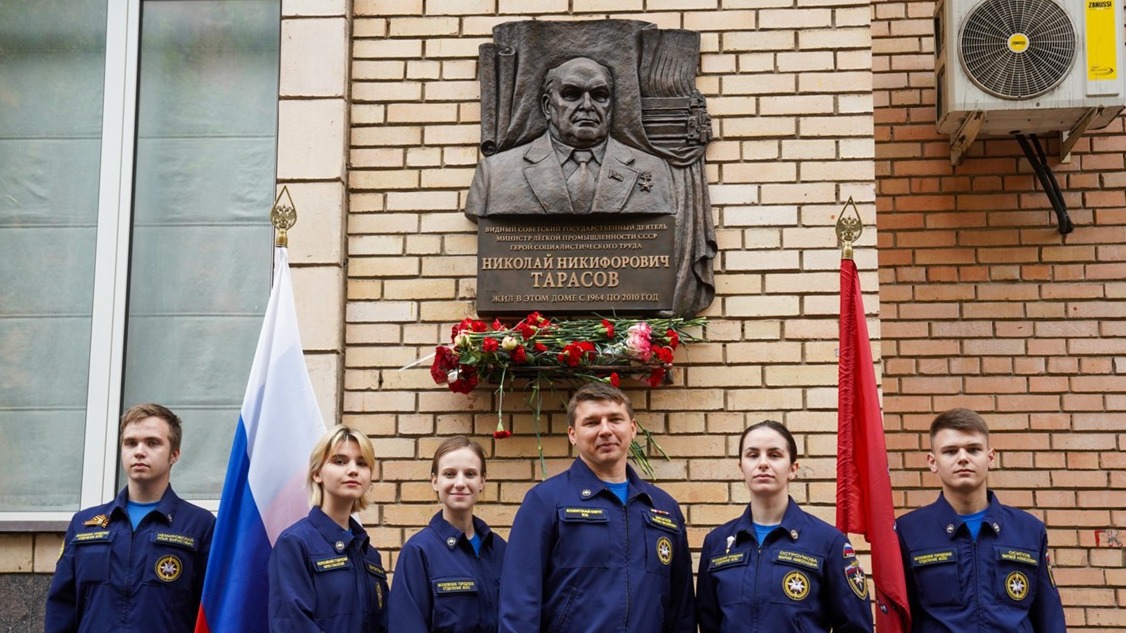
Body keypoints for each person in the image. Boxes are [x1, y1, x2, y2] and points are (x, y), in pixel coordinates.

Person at [498, 381, 695, 633]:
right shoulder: (545, 501)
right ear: (572, 434)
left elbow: (681, 610)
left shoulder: (664, 508)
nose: (605, 430)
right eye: (591, 422)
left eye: (615, 419)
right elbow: (519, 603)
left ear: (632, 429)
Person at [45, 403, 215, 633]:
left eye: (153, 443)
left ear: (174, 454)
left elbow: (210, 610)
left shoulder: (200, 525)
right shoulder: (84, 524)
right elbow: (61, 608)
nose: (139, 451)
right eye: (130, 443)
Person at [896, 408, 1066, 632]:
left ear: (990, 457)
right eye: (950, 451)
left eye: (973, 449)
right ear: (932, 461)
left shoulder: (1028, 530)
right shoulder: (908, 532)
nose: (963, 458)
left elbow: (1049, 617)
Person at [696, 420, 873, 633]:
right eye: (753, 455)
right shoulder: (716, 543)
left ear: (793, 469)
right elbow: (709, 624)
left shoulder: (828, 542)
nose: (763, 463)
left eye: (774, 455)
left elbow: (855, 627)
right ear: (741, 468)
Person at [465, 56, 674, 217]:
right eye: (572, 94)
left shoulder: (654, 170)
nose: (587, 105)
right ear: (548, 106)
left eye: (599, 95)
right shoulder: (495, 175)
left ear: (611, 107)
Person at [268, 425, 388, 633]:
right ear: (317, 474)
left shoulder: (369, 554)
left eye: (362, 463)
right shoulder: (295, 543)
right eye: (339, 461)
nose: (353, 470)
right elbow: (293, 625)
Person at [387, 436, 507, 633]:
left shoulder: (499, 549)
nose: (460, 483)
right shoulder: (419, 551)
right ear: (435, 481)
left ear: (482, 481)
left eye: (470, 474)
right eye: (449, 474)